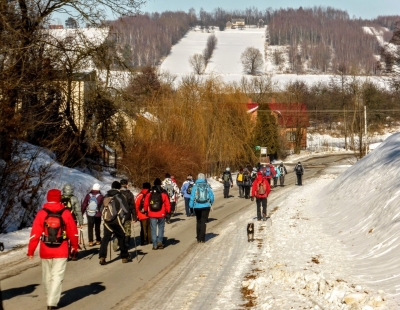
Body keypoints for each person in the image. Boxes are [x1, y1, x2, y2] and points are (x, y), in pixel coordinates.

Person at [27, 189, 79, 310]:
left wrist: (31, 251)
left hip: (45, 249)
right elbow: (73, 232)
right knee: (57, 276)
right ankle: (52, 302)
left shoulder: (42, 213)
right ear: (59, 198)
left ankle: (49, 295)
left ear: (47, 198)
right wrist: (75, 247)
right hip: (61, 249)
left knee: (46, 276)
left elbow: (35, 234)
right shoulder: (65, 212)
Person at [98, 181, 131, 265]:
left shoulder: (106, 195)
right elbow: (126, 209)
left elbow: (101, 209)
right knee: (122, 237)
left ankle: (102, 257)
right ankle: (124, 256)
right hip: (117, 221)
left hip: (106, 221)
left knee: (105, 239)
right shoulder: (120, 196)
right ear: (119, 187)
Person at [144, 178, 171, 250]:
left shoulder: (150, 192)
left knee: (153, 229)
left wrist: (146, 211)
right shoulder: (163, 192)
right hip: (161, 213)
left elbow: (146, 202)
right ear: (160, 184)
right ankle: (160, 241)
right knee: (161, 228)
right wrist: (168, 212)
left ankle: (154, 245)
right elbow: (167, 204)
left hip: (152, 214)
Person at [189, 173, 215, 243]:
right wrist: (210, 203)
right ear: (204, 178)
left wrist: (191, 206)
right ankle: (202, 238)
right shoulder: (207, 186)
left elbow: (192, 197)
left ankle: (198, 237)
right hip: (206, 206)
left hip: (197, 206)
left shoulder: (195, 186)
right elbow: (212, 196)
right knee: (203, 222)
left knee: (198, 221)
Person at [61, 183, 83, 261]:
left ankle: (65, 254)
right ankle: (74, 254)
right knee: (73, 237)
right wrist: (81, 221)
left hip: (62, 221)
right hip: (72, 220)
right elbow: (78, 211)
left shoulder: (60, 198)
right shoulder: (74, 198)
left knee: (64, 237)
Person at [118, 179, 136, 249]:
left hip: (118, 215)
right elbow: (133, 206)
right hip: (127, 214)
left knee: (119, 228)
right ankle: (126, 242)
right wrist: (134, 217)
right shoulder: (129, 194)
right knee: (127, 229)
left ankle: (119, 241)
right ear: (127, 185)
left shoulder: (117, 193)